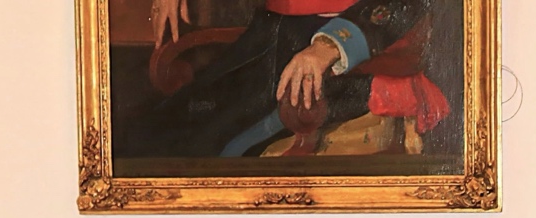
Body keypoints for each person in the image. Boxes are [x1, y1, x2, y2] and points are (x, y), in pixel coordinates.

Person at [119, 0, 434, 158]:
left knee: (219, 148)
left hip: (354, 53)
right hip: (271, 36)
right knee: (153, 135)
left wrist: (330, 45)